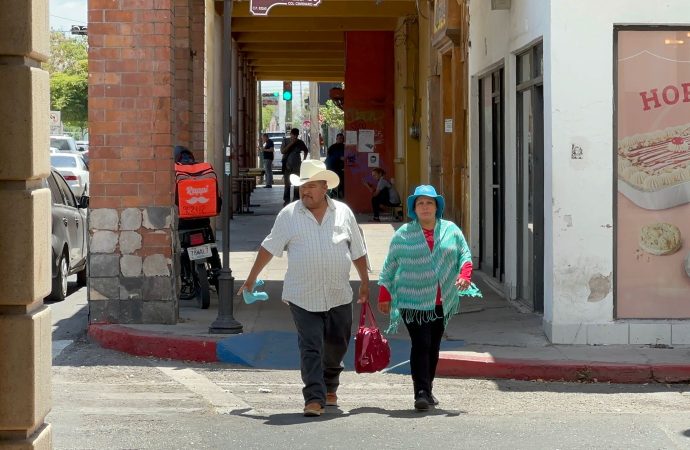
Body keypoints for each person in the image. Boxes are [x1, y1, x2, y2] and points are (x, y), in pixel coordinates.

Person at [238, 159, 370, 417]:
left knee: (337, 344)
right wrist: (251, 277)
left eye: (311, 186)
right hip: (302, 294)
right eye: (302, 186)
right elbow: (269, 247)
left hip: (338, 293)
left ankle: (330, 385)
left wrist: (365, 282)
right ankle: (314, 398)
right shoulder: (289, 215)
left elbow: (358, 249)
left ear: (324, 187)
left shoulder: (343, 212)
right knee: (310, 346)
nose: (305, 191)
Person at [377, 185, 481, 412]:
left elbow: (465, 255)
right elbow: (389, 267)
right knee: (421, 343)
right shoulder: (403, 234)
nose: (425, 207)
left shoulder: (451, 230)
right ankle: (421, 392)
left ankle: (428, 388)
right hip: (411, 301)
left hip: (441, 300)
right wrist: (384, 293)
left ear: (437, 207)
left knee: (433, 347)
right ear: (414, 209)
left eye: (429, 203)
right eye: (420, 203)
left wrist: (464, 275)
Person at [281, 128, 309, 206]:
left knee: (297, 184)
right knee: (287, 184)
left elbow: (306, 150)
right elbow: (282, 151)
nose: (295, 137)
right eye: (293, 135)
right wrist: (291, 143)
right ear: (291, 134)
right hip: (287, 166)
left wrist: (304, 160)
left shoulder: (300, 142)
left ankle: (296, 200)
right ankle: (286, 200)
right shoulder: (286, 141)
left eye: (296, 136)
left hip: (297, 166)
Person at [325, 132, 345, 198]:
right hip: (333, 167)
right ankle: (336, 192)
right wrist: (339, 158)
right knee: (339, 179)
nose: (340, 139)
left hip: (336, 167)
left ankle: (335, 191)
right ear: (336, 139)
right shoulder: (333, 147)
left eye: (341, 138)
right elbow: (330, 156)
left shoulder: (344, 146)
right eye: (339, 138)